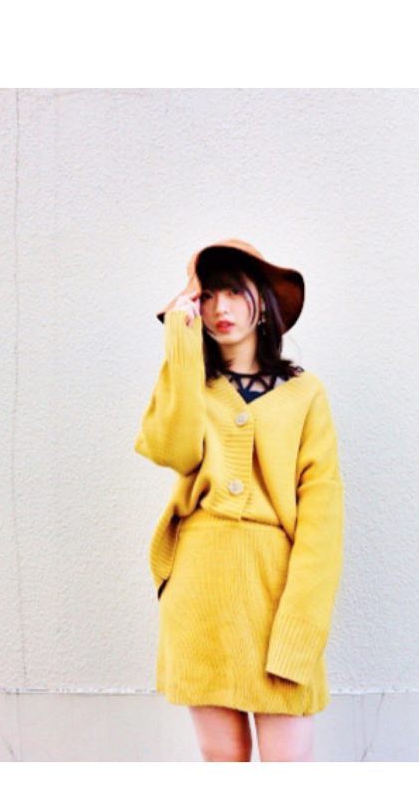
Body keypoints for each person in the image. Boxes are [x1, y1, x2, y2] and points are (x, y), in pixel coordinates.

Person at [134, 238, 345, 762]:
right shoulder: (189, 384)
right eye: (206, 296)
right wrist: (180, 344)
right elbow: (172, 449)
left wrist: (303, 620)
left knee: (287, 761)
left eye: (233, 292)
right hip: (200, 590)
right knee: (222, 759)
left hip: (274, 588)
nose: (219, 308)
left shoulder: (305, 392)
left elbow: (322, 515)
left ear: (263, 302)